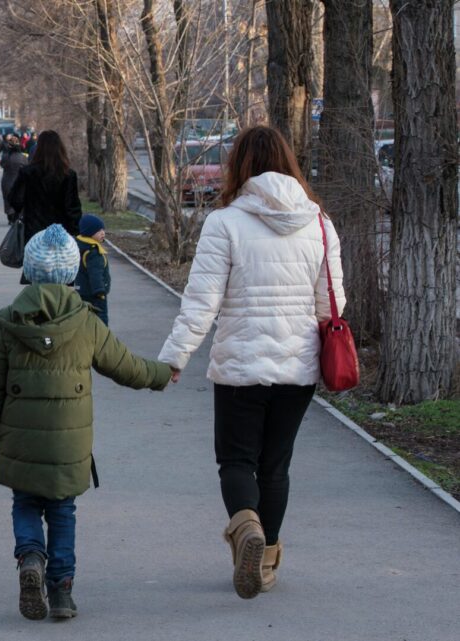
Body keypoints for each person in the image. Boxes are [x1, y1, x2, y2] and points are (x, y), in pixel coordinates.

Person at [158, 125, 346, 599]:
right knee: (275, 466)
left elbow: (201, 302)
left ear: (238, 166)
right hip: (297, 369)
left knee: (237, 460)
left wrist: (175, 356)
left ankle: (246, 530)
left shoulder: (224, 222)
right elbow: (332, 305)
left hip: (240, 367)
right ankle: (265, 563)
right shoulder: (319, 223)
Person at [0, 224, 173, 621]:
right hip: (69, 446)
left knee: (25, 503)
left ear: (29, 271)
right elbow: (126, 367)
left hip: (20, 441)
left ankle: (31, 557)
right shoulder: (86, 322)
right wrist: (163, 374)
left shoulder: (6, 324)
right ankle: (62, 592)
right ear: (70, 273)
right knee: (63, 512)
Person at [9, 130, 84, 283]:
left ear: (38, 149)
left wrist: (25, 209)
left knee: (37, 276)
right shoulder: (68, 175)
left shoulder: (27, 173)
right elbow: (72, 208)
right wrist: (75, 233)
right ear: (60, 149)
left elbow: (15, 200)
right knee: (61, 275)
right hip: (61, 235)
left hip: (34, 234)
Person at [74, 214, 110, 325]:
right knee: (100, 319)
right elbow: (96, 274)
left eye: (103, 230)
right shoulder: (94, 253)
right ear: (89, 232)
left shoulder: (79, 246)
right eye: (99, 231)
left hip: (80, 291)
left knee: (83, 319)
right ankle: (102, 335)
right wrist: (100, 291)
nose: (103, 233)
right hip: (95, 294)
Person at [0, 136, 28, 217]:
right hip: (20, 182)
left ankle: (10, 216)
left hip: (7, 181)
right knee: (20, 199)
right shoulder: (23, 157)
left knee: (7, 199)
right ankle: (18, 216)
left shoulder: (5, 157)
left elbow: (2, 165)